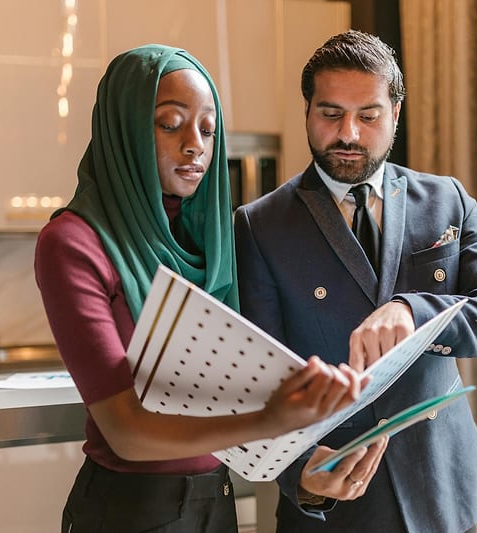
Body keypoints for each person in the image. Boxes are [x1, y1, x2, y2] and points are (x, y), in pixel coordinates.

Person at [35, 44, 366, 533]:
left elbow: (226, 402)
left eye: (208, 130)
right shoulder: (73, 242)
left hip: (218, 498)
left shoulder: (210, 243)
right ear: (124, 129)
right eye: (171, 124)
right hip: (129, 510)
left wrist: (307, 465)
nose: (196, 146)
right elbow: (125, 431)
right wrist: (275, 421)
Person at [234, 30, 477, 533]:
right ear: (307, 111)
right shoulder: (258, 225)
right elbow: (261, 385)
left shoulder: (448, 201)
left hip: (445, 490)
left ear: (396, 112)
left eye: (368, 116)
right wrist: (303, 479)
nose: (348, 132)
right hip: (337, 507)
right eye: (330, 113)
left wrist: (414, 310)